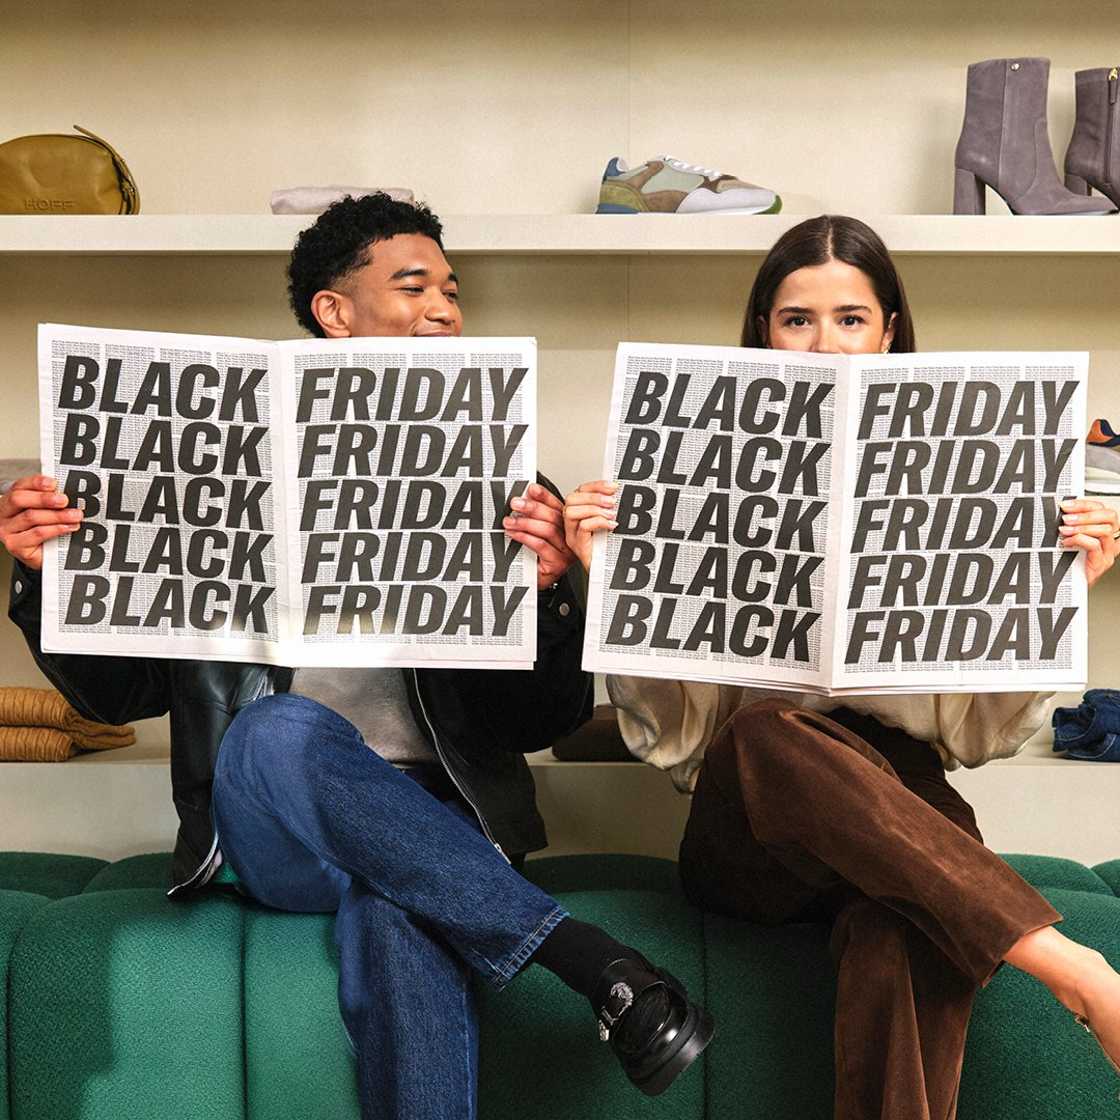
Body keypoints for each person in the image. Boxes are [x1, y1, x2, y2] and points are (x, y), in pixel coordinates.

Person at [2, 194, 712, 1120]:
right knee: (274, 730)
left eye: (452, 291)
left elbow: (541, 723)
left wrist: (551, 595)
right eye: (414, 287)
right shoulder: (215, 470)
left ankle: (608, 981)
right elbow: (121, 694)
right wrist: (41, 575)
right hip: (273, 818)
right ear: (334, 312)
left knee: (399, 905)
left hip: (445, 819)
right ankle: (589, 958)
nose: (444, 309)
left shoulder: (510, 488)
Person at [562, 214, 1120, 1120]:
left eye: (851, 319)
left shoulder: (959, 475)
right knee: (766, 732)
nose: (825, 344)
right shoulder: (693, 470)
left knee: (906, 926)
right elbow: (678, 742)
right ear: (763, 332)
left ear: (889, 331)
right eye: (797, 320)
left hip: (900, 793)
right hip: (748, 818)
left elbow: (973, 740)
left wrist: (1058, 594)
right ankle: (1076, 969)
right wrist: (612, 584)